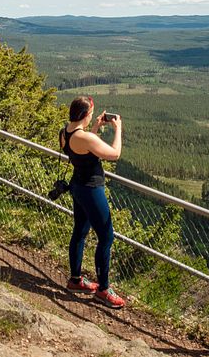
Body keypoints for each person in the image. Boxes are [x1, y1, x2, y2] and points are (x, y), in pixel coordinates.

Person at [59, 95, 125, 309]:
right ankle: (104, 290)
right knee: (106, 237)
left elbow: (83, 150)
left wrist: (95, 127)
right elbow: (114, 154)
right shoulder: (85, 138)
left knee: (80, 231)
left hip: (77, 186)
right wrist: (118, 129)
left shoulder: (66, 132)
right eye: (91, 114)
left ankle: (76, 279)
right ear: (85, 115)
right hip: (91, 189)